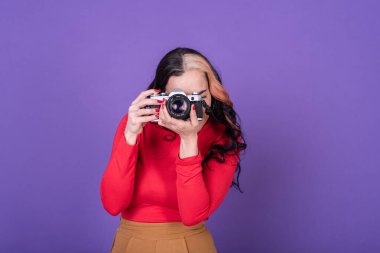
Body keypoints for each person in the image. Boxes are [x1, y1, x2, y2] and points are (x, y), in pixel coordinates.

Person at [100, 47, 247, 253]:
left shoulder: (224, 136)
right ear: (162, 95)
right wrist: (130, 137)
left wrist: (189, 140)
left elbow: (192, 216)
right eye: (180, 98)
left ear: (212, 93)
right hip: (131, 242)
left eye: (200, 96)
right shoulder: (138, 124)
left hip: (190, 244)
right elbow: (112, 204)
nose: (189, 106)